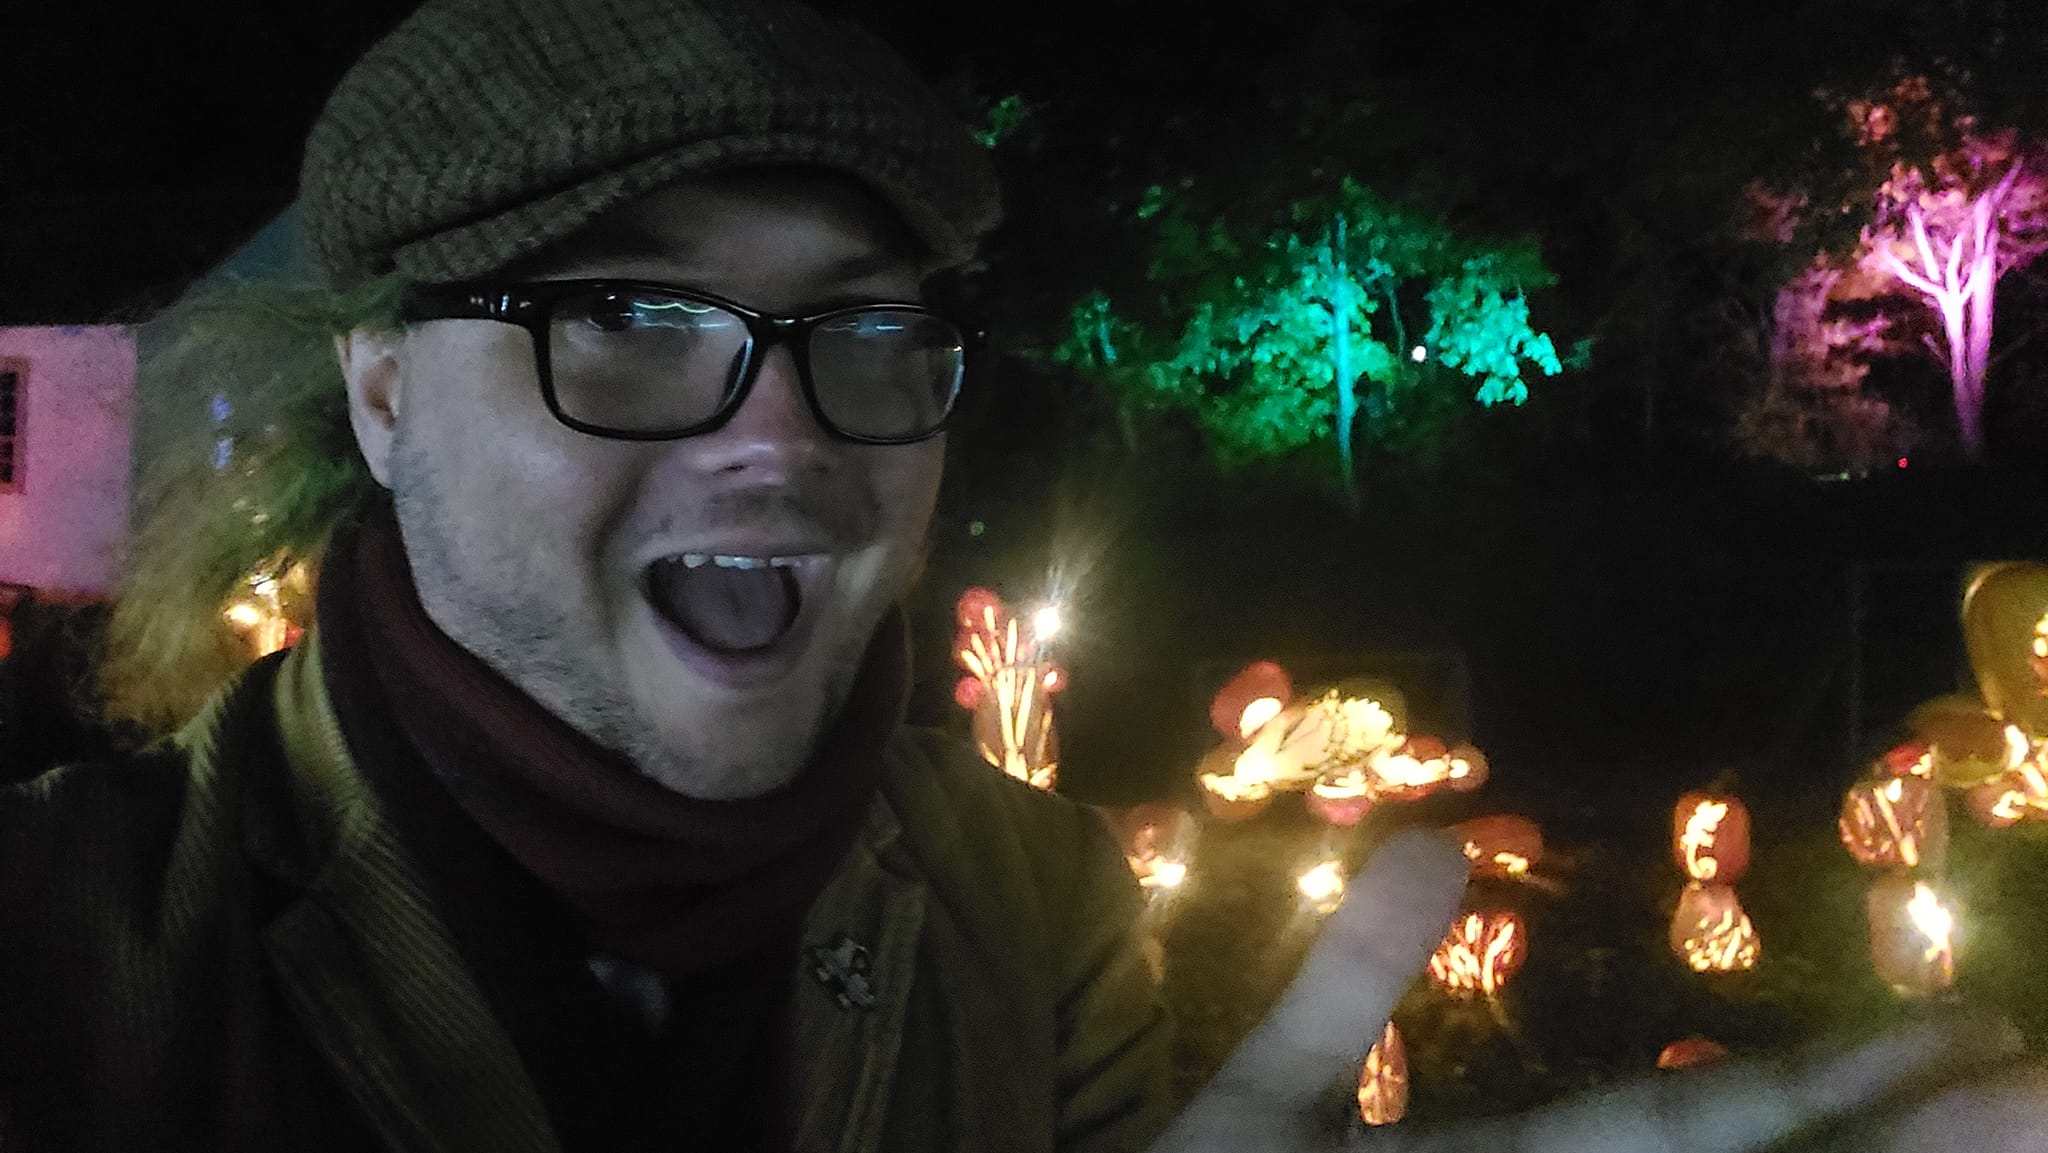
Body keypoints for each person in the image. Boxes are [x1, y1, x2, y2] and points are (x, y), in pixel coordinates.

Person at [2, 0, 2042, 1150]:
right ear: (378, 400)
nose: (784, 435)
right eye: (622, 318)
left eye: (867, 332)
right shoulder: (62, 966)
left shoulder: (1032, 902)